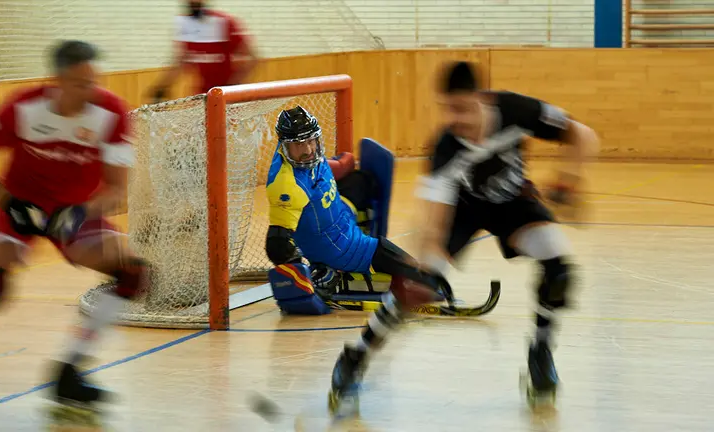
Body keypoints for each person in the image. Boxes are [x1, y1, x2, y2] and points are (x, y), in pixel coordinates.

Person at [0, 40, 148, 409]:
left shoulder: (112, 114)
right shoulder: (21, 107)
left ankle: (68, 373)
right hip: (22, 205)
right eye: (78, 84)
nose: (89, 92)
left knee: (131, 273)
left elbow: (116, 189)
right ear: (55, 80)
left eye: (93, 82)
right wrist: (9, 203)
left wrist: (80, 212)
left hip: (74, 212)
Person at [417, 61, 599, 407]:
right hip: (465, 209)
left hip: (513, 201)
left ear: (482, 98)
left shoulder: (515, 110)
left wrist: (568, 179)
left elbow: (583, 134)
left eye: (465, 108)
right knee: (416, 283)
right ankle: (358, 357)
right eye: (449, 110)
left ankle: (541, 352)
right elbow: (434, 221)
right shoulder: (445, 146)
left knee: (559, 270)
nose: (460, 120)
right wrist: (427, 264)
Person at [263, 106, 457, 412]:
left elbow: (323, 169)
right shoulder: (287, 186)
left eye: (311, 140)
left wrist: (341, 165)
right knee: (421, 277)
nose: (308, 149)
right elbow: (276, 242)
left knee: (364, 179)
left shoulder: (307, 158)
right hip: (344, 247)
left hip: (340, 216)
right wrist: (305, 272)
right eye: (299, 145)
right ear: (285, 146)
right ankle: (332, 274)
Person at [149, 0, 258, 102]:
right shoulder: (186, 24)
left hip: (226, 95)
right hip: (203, 94)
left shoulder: (223, 22)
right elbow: (181, 61)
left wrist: (233, 86)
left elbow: (252, 58)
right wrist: (162, 86)